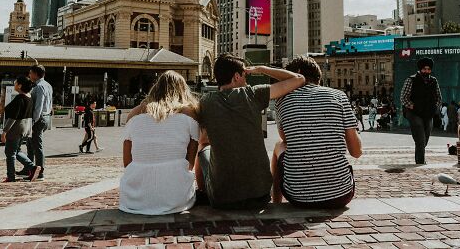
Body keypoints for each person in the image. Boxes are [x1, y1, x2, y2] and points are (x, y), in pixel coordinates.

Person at [195, 54, 305, 210]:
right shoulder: (253, 94)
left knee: (203, 145)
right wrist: (262, 69)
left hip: (222, 199)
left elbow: (202, 137)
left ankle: (203, 193)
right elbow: (299, 79)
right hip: (260, 195)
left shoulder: (206, 102)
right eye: (245, 75)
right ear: (236, 76)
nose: (246, 80)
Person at [272, 56, 362, 208]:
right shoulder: (339, 96)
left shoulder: (282, 100)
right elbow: (356, 152)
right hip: (341, 195)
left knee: (278, 145)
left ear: (297, 75)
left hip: (297, 196)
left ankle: (276, 202)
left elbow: (285, 138)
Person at [120, 70, 200, 215]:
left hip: (134, 198)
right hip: (175, 198)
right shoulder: (189, 114)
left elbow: (127, 162)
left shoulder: (134, 114)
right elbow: (190, 164)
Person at [400, 57, 442, 165]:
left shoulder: (434, 80)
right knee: (419, 133)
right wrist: (414, 106)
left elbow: (438, 97)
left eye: (428, 69)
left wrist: (434, 107)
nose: (426, 71)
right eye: (424, 69)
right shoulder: (411, 79)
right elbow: (403, 97)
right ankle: (420, 161)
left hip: (428, 113)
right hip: (413, 112)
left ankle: (420, 152)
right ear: (420, 69)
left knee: (426, 136)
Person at [0, 76, 40, 182]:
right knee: (16, 151)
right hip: (26, 128)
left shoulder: (19, 99)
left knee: (10, 153)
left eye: (16, 83)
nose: (14, 84)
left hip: (16, 128)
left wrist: (4, 131)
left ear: (20, 85)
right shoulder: (29, 97)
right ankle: (33, 167)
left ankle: (11, 176)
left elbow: (13, 117)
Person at [26, 64, 52, 180]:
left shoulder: (40, 86)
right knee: (31, 144)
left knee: (37, 146)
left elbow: (39, 106)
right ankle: (29, 168)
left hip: (39, 118)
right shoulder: (47, 85)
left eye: (31, 73)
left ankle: (40, 172)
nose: (29, 75)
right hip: (45, 117)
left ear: (36, 74)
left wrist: (32, 122)